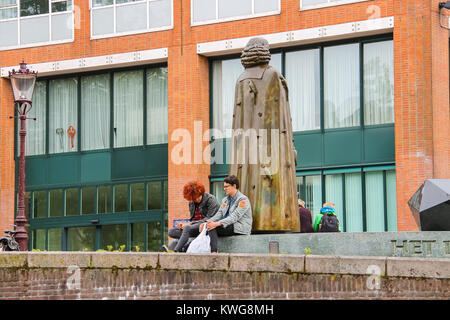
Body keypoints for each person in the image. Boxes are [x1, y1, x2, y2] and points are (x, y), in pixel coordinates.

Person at [200, 175, 252, 253]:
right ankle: (196, 248)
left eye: (226, 186)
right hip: (226, 225)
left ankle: (213, 252)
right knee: (209, 226)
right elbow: (219, 214)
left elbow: (234, 217)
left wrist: (217, 223)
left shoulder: (243, 200)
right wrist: (206, 222)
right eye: (224, 187)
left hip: (239, 227)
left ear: (234, 186)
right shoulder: (225, 200)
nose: (224, 189)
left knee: (212, 227)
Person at [165, 181, 219, 252]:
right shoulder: (191, 202)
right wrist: (183, 225)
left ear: (201, 193)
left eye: (197, 197)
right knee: (171, 231)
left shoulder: (211, 199)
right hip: (195, 227)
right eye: (193, 199)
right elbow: (192, 219)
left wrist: (189, 224)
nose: (196, 200)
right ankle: (183, 247)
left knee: (187, 228)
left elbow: (210, 218)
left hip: (205, 226)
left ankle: (176, 250)